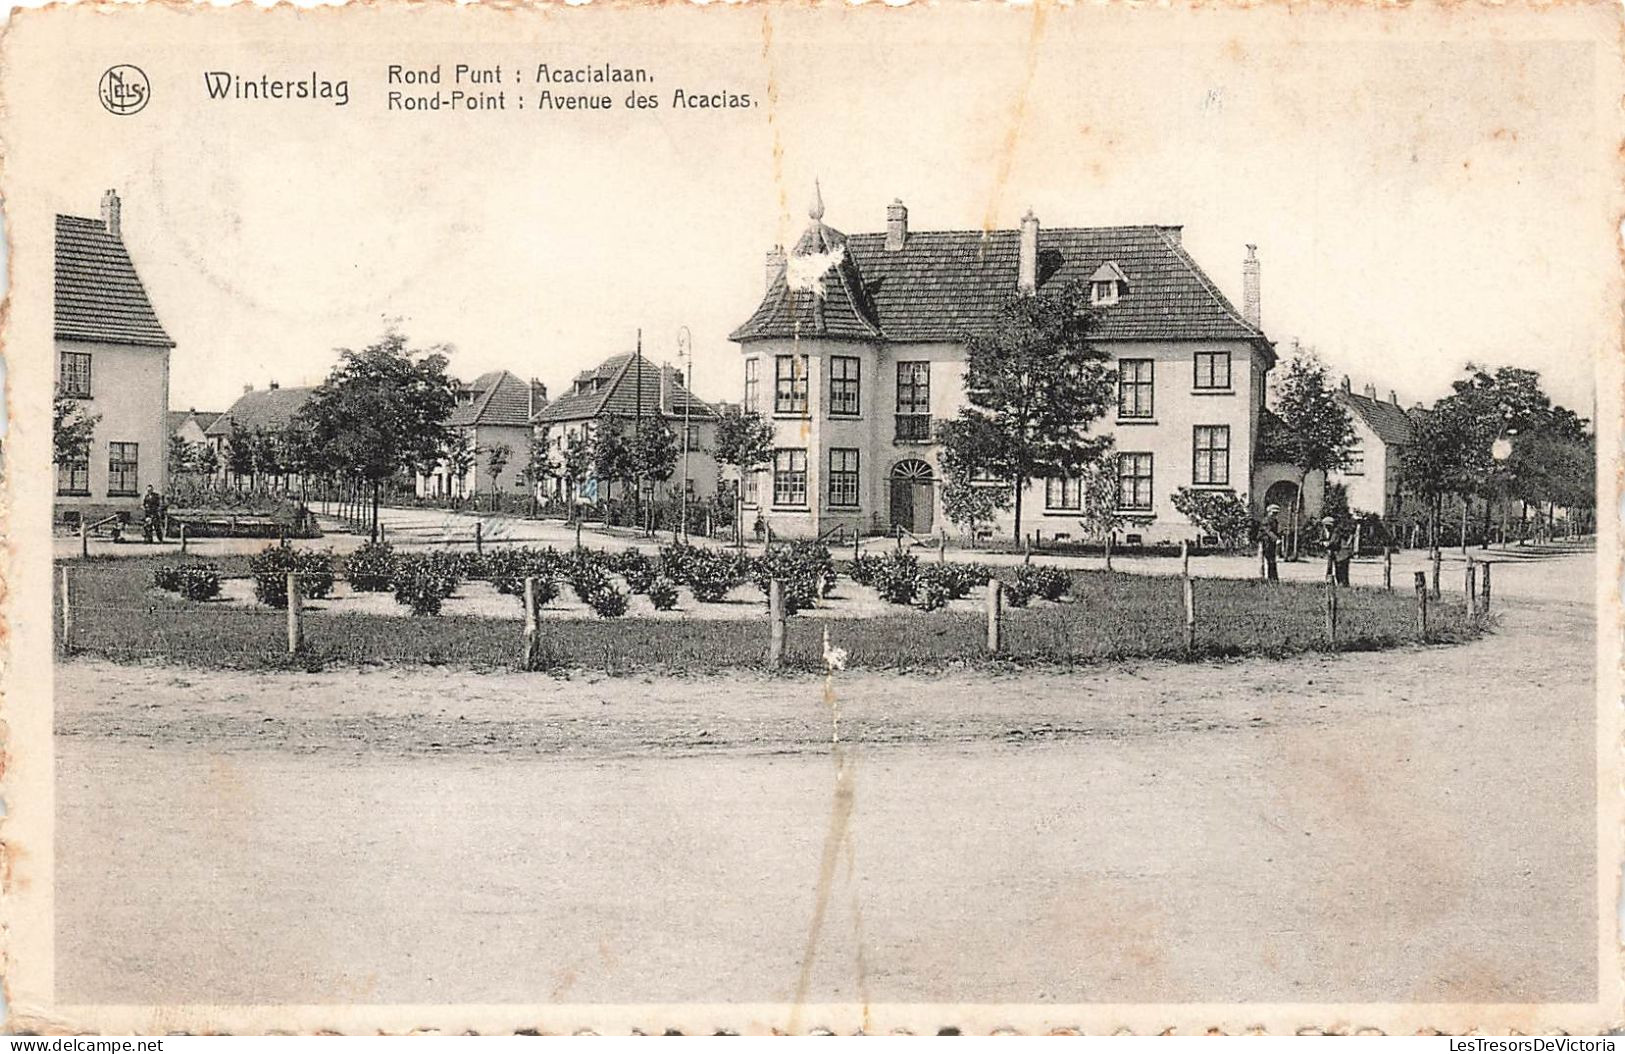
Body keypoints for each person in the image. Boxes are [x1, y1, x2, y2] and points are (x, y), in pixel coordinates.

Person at [1259, 503, 1282, 581]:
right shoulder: (1266, 520)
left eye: (1276, 513)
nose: (1275, 515)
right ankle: (1265, 577)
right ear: (1268, 512)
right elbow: (1268, 531)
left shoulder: (1274, 521)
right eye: (1273, 513)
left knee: (1272, 560)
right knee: (1266, 560)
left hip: (1271, 542)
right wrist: (1276, 538)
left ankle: (1273, 577)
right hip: (1265, 542)